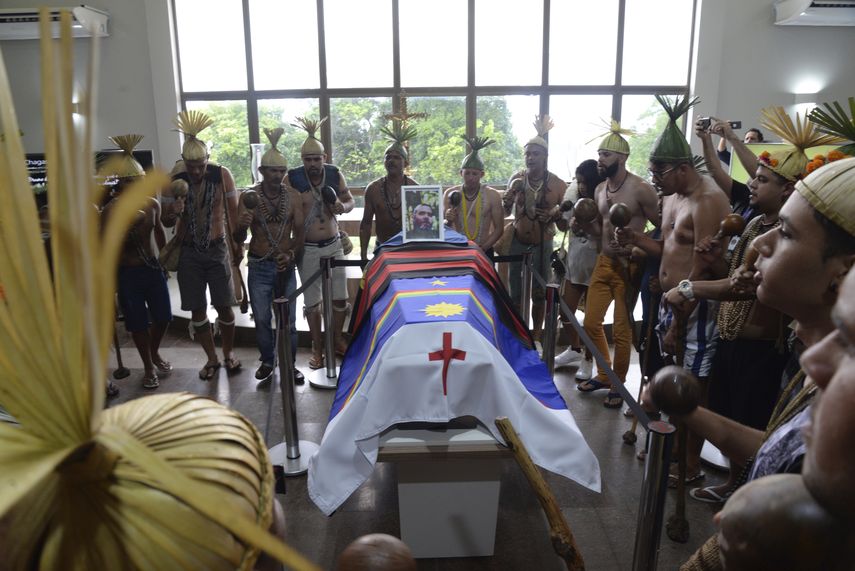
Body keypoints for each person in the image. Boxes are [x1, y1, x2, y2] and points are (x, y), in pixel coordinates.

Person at [667, 155, 855, 570]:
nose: (761, 246)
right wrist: (689, 411)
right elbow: (775, 448)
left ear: (843, 273)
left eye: (786, 233)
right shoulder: (818, 367)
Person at [665, 105, 837, 502]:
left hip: (761, 345)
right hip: (731, 336)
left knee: (752, 414)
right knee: (726, 407)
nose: (752, 185)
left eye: (762, 179)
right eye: (754, 178)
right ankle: (735, 482)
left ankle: (747, 489)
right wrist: (715, 262)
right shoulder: (757, 224)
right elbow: (737, 276)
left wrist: (691, 287)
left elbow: (743, 287)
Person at [617, 95, 730, 481]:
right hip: (668, 301)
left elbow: (705, 265)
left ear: (683, 169)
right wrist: (635, 239)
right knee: (671, 378)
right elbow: (669, 248)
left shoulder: (708, 200)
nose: (654, 179)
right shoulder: (672, 197)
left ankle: (689, 463)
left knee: (691, 388)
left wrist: (681, 319)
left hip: (694, 306)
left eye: (659, 172)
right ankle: (673, 450)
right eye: (651, 172)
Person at [574, 120, 659, 408]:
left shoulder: (641, 189)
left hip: (628, 266)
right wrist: (584, 225)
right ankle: (604, 374)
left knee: (622, 331)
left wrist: (639, 246)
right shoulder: (600, 189)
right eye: (599, 154)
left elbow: (662, 228)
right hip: (604, 261)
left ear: (622, 157)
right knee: (590, 322)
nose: (600, 160)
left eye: (606, 155)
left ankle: (618, 384)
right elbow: (601, 230)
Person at [160, 110, 242, 380]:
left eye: (201, 165)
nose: (196, 171)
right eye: (191, 166)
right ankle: (211, 358)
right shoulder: (173, 181)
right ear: (183, 162)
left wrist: (237, 247)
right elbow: (165, 220)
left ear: (208, 159)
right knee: (197, 308)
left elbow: (233, 214)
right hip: (188, 251)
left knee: (224, 306)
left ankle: (228, 352)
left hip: (217, 248)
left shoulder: (221, 175)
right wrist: (174, 210)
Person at [233, 127, 305, 382]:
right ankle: (267, 360)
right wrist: (241, 226)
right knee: (262, 319)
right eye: (273, 171)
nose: (278, 175)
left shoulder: (293, 197)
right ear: (262, 171)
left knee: (289, 321)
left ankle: (290, 365)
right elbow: (237, 238)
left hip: (285, 267)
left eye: (281, 171)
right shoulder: (249, 197)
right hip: (259, 265)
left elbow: (301, 234)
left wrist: (291, 253)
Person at [101, 134, 172, 390]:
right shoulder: (111, 210)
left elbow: (160, 232)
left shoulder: (152, 204)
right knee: (138, 323)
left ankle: (153, 352)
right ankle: (148, 367)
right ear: (122, 183)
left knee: (163, 317)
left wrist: (165, 260)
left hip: (152, 269)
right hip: (128, 274)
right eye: (131, 181)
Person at [286, 116, 354, 370]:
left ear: (324, 157)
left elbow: (349, 200)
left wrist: (342, 207)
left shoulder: (334, 174)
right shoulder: (292, 179)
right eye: (308, 159)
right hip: (308, 248)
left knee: (339, 299)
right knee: (312, 303)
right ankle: (317, 348)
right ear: (302, 159)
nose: (313, 164)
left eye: (317, 159)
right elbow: (285, 210)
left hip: (334, 244)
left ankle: (335, 340)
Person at [504, 115, 567, 345]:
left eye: (535, 154)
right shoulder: (517, 179)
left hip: (543, 243)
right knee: (515, 292)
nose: (530, 158)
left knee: (539, 293)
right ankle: (518, 335)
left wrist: (554, 214)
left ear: (545, 156)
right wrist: (507, 199)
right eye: (527, 154)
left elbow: (565, 226)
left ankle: (537, 337)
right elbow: (504, 212)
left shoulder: (558, 185)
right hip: (518, 241)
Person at [553, 159, 604, 379]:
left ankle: (588, 359)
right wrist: (558, 217)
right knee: (565, 310)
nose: (581, 186)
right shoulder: (573, 195)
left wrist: (586, 225)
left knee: (592, 320)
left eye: (585, 182)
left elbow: (605, 233)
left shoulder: (603, 198)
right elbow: (562, 226)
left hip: (596, 264)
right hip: (575, 263)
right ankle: (574, 348)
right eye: (578, 181)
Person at [360, 120, 418, 261]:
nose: (391, 161)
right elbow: (366, 223)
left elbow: (423, 225)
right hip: (382, 248)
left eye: (396, 157)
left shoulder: (415, 189)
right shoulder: (373, 189)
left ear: (406, 163)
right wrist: (363, 256)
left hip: (408, 250)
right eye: (388, 157)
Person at [443, 135, 504, 255]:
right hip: (458, 249)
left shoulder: (492, 195)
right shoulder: (450, 194)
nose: (470, 178)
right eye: (467, 173)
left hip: (484, 249)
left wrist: (483, 249)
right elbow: (443, 227)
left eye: (475, 174)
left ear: (482, 174)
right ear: (461, 173)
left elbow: (499, 229)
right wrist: (448, 220)